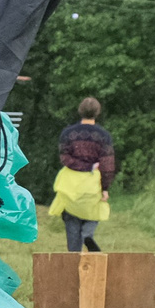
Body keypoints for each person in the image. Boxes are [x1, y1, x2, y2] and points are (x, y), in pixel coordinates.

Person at [52, 97, 117, 252]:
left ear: (80, 111)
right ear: (97, 112)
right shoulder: (103, 136)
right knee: (93, 212)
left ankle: (74, 254)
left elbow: (64, 157)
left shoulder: (68, 133)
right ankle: (87, 234)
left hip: (71, 180)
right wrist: (105, 188)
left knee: (71, 216)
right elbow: (107, 164)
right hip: (93, 181)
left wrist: (82, 166)